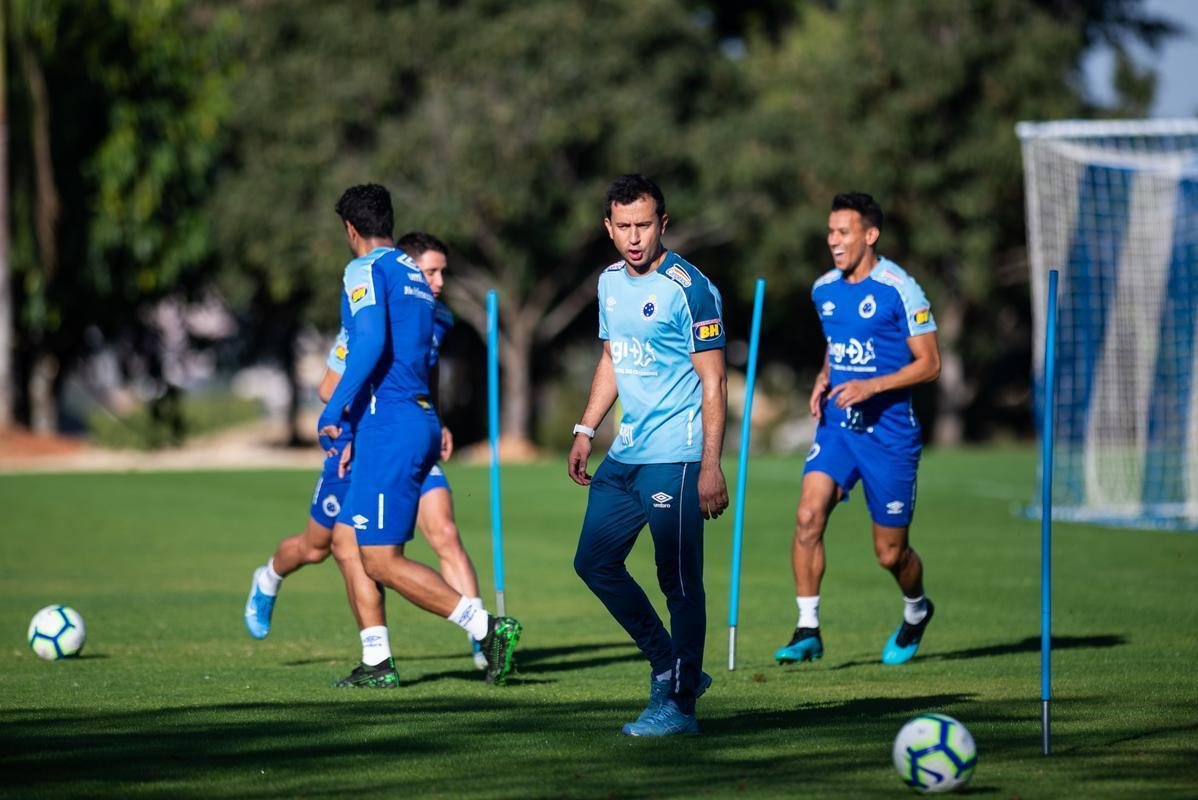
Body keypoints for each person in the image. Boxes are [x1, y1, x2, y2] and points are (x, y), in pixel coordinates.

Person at [248, 184, 520, 685]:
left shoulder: (365, 269)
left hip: (388, 427)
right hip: (410, 422)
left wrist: (334, 410)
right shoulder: (414, 279)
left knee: (380, 561)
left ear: (350, 229)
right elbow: (415, 359)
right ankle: (377, 661)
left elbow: (370, 341)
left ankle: (486, 628)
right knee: (345, 543)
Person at [569, 174, 728, 737]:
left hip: (676, 456)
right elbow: (612, 359)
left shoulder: (692, 288)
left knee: (678, 581)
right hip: (625, 453)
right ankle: (669, 665)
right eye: (624, 226)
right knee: (593, 562)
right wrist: (586, 428)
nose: (634, 237)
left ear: (663, 223)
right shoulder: (609, 282)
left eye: (644, 225)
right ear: (608, 228)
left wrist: (710, 464)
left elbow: (714, 381)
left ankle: (680, 707)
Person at [774, 192, 940, 667]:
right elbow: (838, 342)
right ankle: (807, 628)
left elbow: (930, 364)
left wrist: (872, 386)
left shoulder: (900, 289)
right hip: (839, 427)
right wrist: (824, 375)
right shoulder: (823, 289)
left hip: (889, 434)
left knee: (890, 554)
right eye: (830, 232)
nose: (833, 240)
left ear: (870, 235)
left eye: (843, 232)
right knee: (808, 516)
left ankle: (916, 609)